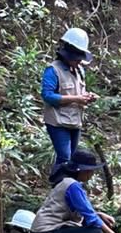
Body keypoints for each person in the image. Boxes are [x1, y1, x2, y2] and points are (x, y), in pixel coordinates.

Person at [30, 149, 121, 233]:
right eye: (90, 171)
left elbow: (84, 211)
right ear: (82, 171)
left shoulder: (67, 182)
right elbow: (91, 217)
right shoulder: (72, 186)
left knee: (88, 227)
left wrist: (100, 214)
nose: (91, 174)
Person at [41, 26, 97, 182]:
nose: (79, 62)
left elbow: (78, 92)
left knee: (73, 160)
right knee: (64, 157)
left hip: (74, 121)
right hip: (57, 122)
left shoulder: (80, 71)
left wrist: (86, 97)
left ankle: (67, 189)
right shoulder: (53, 70)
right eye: (76, 59)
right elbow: (47, 96)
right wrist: (76, 99)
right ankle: (56, 187)